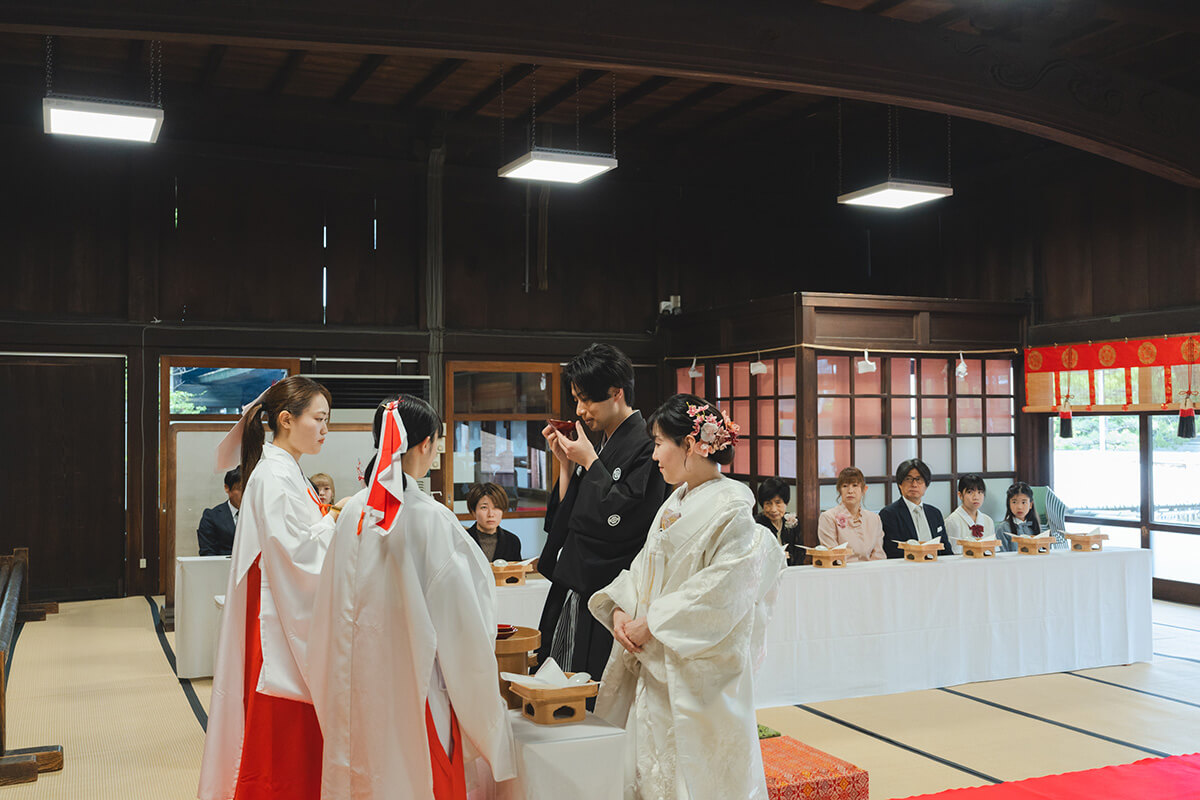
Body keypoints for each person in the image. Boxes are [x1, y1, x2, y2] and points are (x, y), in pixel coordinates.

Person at [308, 396, 516, 800]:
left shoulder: (353, 511)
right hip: (413, 682)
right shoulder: (427, 517)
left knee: (363, 770)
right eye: (437, 442)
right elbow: (462, 619)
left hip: (357, 678)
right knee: (413, 775)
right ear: (425, 444)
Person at [588, 394, 785, 800]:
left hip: (693, 668)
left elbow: (722, 591)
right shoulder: (673, 502)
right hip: (655, 655)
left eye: (660, 443)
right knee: (649, 767)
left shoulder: (732, 509)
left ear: (692, 445)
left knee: (696, 775)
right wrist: (624, 608)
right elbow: (644, 565)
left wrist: (653, 622)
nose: (655, 455)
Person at [199, 375, 349, 800]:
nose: (325, 429)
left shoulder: (285, 471)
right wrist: (336, 518)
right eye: (319, 419)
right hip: (278, 618)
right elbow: (297, 555)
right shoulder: (272, 477)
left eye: (327, 420)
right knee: (282, 727)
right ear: (286, 419)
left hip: (284, 605)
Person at [537, 343, 670, 684]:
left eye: (587, 400)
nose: (580, 410)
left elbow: (624, 518)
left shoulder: (645, 446)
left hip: (609, 587)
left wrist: (590, 463)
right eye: (577, 400)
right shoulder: (601, 443)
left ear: (616, 394)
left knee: (592, 682)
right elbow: (573, 516)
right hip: (578, 579)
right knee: (561, 671)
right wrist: (567, 467)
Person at [879, 458, 948, 559]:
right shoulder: (888, 514)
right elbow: (892, 551)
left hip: (936, 568)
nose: (914, 484)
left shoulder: (935, 513)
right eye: (908, 479)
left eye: (919, 479)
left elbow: (946, 548)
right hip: (907, 569)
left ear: (926, 485)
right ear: (900, 484)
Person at [816, 466, 885, 562]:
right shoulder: (828, 517)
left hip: (870, 573)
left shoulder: (874, 519)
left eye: (855, 485)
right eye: (845, 486)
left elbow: (879, 555)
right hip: (841, 573)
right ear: (839, 490)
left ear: (864, 489)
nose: (850, 491)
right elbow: (833, 557)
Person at [465, 482, 522, 562]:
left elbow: (517, 572)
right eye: (484, 507)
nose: (491, 514)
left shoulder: (512, 541)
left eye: (496, 507)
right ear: (473, 511)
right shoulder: (462, 540)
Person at [755, 477, 801, 565]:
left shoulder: (792, 520)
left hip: (790, 573)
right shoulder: (756, 524)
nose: (773, 509)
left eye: (778, 502)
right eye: (768, 503)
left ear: (786, 503)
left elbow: (800, 553)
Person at [945, 474, 995, 554]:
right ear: (960, 495)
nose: (976, 497)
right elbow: (953, 553)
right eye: (970, 492)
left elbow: (993, 550)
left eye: (980, 492)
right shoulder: (953, 521)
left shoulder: (988, 520)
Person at [197, 468, 242, 556]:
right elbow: (207, 553)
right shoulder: (211, 517)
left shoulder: (259, 515)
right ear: (227, 488)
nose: (245, 493)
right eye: (240, 488)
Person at [996, 481, 1042, 552]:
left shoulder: (1035, 526)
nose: (1019, 507)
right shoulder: (1002, 528)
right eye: (1014, 502)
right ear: (1009, 504)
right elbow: (1002, 556)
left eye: (1024, 502)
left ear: (1030, 505)